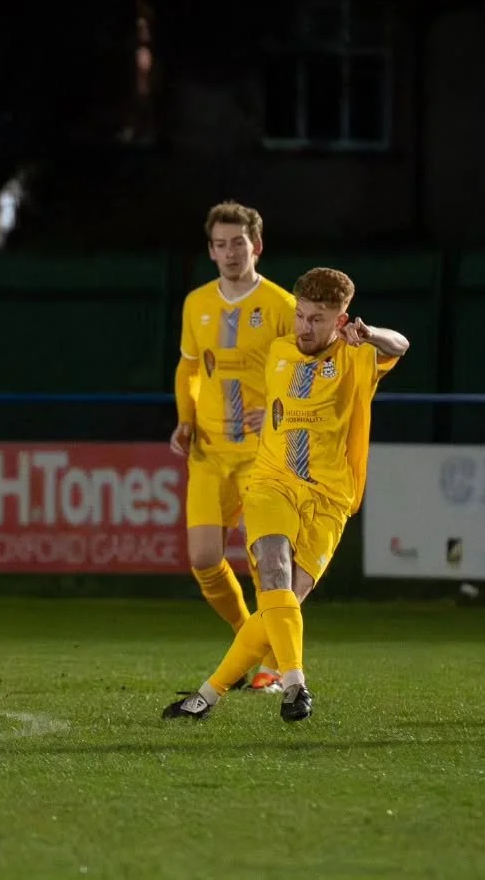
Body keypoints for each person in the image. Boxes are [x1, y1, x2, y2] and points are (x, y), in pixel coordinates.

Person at [163, 267, 408, 722]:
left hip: (329, 497)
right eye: (300, 315)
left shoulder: (356, 355)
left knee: (284, 603)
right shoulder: (278, 350)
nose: (304, 327)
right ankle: (295, 685)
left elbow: (401, 345)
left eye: (317, 319)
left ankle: (206, 697)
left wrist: (370, 334)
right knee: (273, 572)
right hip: (271, 484)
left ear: (341, 320)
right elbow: (269, 398)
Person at [171, 201, 295, 693]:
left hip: (263, 455)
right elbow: (189, 368)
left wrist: (279, 413)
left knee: (268, 564)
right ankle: (249, 638)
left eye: (237, 243)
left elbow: (302, 373)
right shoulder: (196, 303)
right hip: (209, 451)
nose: (229, 252)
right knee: (204, 559)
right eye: (220, 245)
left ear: (256, 246)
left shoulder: (283, 306)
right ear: (210, 251)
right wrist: (185, 420)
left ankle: (272, 667)